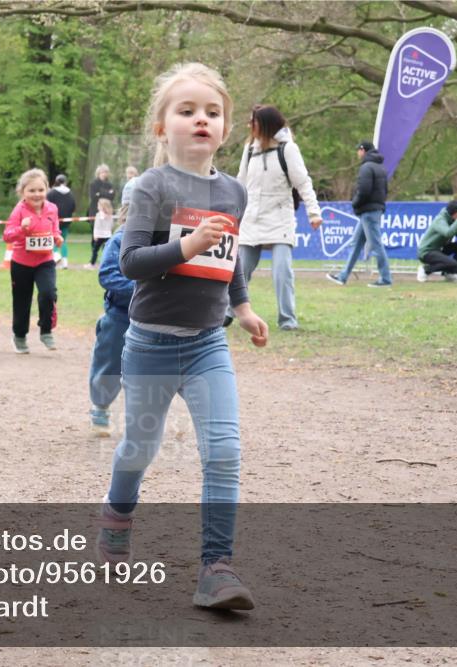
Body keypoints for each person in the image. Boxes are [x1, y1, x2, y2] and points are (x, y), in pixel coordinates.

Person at [98, 62, 269, 611]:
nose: (201, 120)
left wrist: (241, 307)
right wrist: (187, 245)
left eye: (212, 113)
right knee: (138, 450)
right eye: (187, 110)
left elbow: (231, 258)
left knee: (223, 451)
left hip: (205, 345)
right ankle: (117, 520)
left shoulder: (234, 192)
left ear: (226, 129)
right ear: (161, 127)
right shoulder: (150, 186)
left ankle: (216, 568)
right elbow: (131, 262)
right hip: (149, 344)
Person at [236, 104, 323, 330]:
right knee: (240, 270)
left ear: (264, 124)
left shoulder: (288, 149)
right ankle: (229, 312)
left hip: (280, 219)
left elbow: (302, 182)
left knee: (282, 272)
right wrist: (231, 212)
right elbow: (240, 183)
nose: (249, 126)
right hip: (251, 219)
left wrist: (314, 212)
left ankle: (288, 319)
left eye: (253, 122)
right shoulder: (249, 150)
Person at [88, 197, 135, 437]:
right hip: (120, 315)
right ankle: (101, 405)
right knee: (110, 362)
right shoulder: (119, 240)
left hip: (155, 317)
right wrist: (142, 289)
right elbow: (107, 276)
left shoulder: (165, 242)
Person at [3, 168, 63, 354]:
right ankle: (19, 336)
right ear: (22, 192)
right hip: (21, 263)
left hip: (45, 260)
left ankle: (46, 330)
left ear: (47, 189)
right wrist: (22, 229)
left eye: (40, 190)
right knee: (22, 301)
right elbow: (7, 236)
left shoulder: (52, 208)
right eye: (31, 191)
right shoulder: (19, 210)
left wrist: (57, 237)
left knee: (48, 293)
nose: (37, 194)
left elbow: (55, 230)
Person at [327, 140, 391, 287]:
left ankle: (386, 279)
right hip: (373, 210)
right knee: (356, 244)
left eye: (358, 150)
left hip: (368, 212)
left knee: (376, 245)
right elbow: (384, 191)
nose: (357, 153)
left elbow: (364, 190)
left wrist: (355, 203)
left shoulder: (366, 168)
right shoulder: (380, 167)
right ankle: (343, 276)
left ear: (363, 150)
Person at [416, 200, 457, 283]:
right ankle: (425, 269)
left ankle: (449, 272)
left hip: (439, 249)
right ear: (455, 214)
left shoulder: (454, 220)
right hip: (427, 251)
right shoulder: (440, 220)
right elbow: (448, 233)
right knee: (452, 263)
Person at [46, 174, 77, 269]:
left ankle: (55, 258)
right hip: (66, 222)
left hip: (53, 222)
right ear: (65, 182)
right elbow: (73, 208)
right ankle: (65, 263)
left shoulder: (51, 193)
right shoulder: (71, 194)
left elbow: (46, 206)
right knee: (63, 241)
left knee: (52, 241)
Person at [90, 198, 114, 266]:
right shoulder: (110, 215)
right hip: (108, 235)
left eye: (98, 205)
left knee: (95, 250)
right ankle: (106, 263)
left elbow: (96, 226)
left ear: (102, 206)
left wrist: (95, 235)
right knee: (106, 250)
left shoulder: (98, 215)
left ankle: (92, 263)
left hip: (100, 235)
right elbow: (112, 225)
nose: (97, 206)